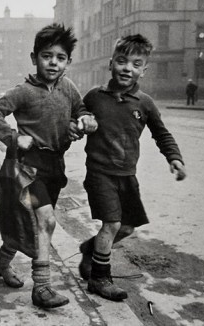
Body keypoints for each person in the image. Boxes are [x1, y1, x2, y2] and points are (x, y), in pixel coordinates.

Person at [0, 23, 98, 309]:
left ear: (68, 62)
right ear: (34, 58)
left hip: (53, 167)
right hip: (26, 167)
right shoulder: (23, 92)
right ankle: (42, 288)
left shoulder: (68, 88)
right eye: (47, 56)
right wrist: (13, 137)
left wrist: (84, 123)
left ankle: (2, 262)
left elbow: (82, 112)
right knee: (45, 221)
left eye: (60, 57)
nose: (53, 62)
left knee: (31, 225)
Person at [76, 34, 187, 302]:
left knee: (126, 228)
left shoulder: (144, 103)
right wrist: (80, 123)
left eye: (136, 64)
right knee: (112, 224)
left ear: (144, 70)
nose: (128, 68)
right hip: (100, 173)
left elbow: (162, 134)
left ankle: (89, 249)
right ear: (111, 63)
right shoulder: (94, 97)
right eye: (122, 61)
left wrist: (174, 158)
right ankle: (100, 279)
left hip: (127, 176)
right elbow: (74, 119)